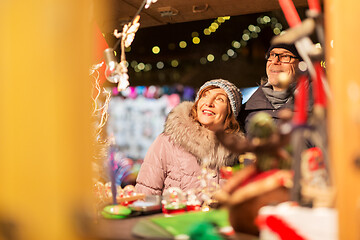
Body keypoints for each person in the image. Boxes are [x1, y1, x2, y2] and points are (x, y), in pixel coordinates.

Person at [135, 79, 244, 196]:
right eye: (205, 95)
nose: (209, 103)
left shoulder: (238, 152)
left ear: (230, 112)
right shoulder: (168, 142)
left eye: (219, 99)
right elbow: (145, 195)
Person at [238, 43, 312, 134]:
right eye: (272, 55)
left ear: (302, 64)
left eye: (285, 56)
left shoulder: (320, 108)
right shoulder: (245, 112)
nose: (274, 61)